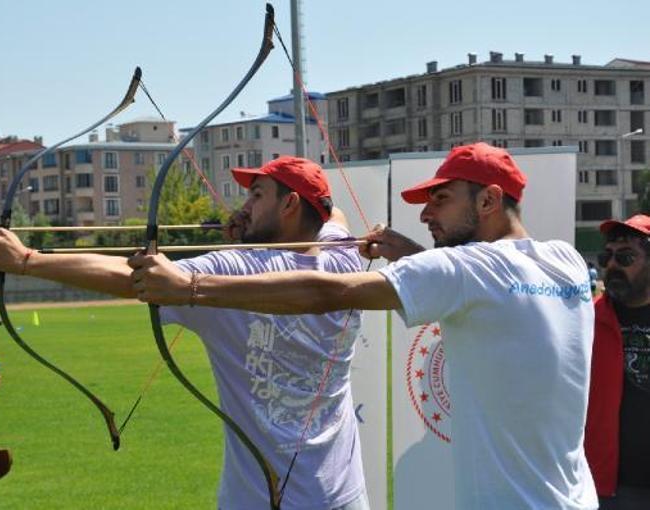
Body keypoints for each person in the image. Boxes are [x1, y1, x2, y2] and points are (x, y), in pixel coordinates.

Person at [131, 142, 599, 510]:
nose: (425, 212)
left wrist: (189, 285)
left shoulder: (462, 269)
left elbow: (328, 292)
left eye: (441, 198)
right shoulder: (566, 260)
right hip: (578, 500)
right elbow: (487, 285)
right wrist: (412, 254)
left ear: (490, 200)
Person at [0, 156, 369, 509]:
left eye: (256, 195)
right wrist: (257, 222)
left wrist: (27, 261)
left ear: (289, 205)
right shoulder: (343, 257)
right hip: (342, 495)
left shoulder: (234, 269)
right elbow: (333, 212)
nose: (246, 206)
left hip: (260, 500)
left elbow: (136, 276)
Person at [585, 214, 650, 509]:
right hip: (610, 489)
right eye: (606, 256)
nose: (611, 266)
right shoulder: (585, 319)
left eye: (625, 257)